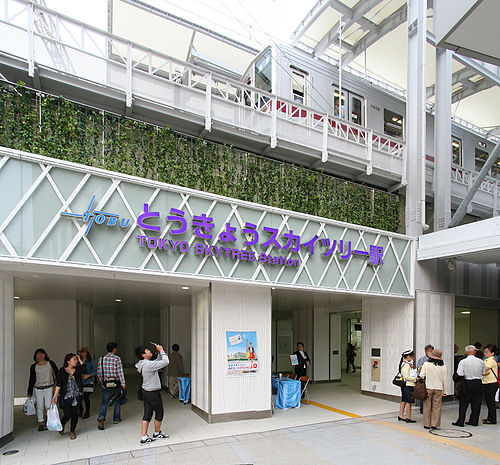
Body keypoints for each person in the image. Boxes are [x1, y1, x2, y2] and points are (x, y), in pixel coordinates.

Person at [135, 343, 170, 444]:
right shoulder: (148, 364)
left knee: (147, 413)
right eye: (147, 350)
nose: (149, 351)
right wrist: (161, 351)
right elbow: (165, 361)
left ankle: (144, 436)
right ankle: (157, 432)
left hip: (146, 392)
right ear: (143, 355)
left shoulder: (142, 364)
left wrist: (158, 353)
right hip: (153, 393)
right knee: (159, 412)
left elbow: (156, 362)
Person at [452, 345, 486, 427]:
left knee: (464, 402)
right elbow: (483, 372)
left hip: (467, 382)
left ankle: (461, 421)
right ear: (475, 352)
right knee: (476, 402)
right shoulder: (481, 361)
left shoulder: (463, 362)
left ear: (466, 352)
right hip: (478, 382)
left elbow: (460, 373)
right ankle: (474, 421)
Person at [52, 353, 83, 440]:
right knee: (68, 414)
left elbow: (85, 369)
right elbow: (59, 384)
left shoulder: (77, 370)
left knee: (75, 414)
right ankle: (62, 423)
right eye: (74, 360)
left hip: (76, 395)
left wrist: (80, 360)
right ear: (68, 361)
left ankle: (72, 431)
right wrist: (55, 395)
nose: (76, 361)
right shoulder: (62, 371)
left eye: (76, 360)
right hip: (66, 396)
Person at [96, 342, 126, 430]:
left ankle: (101, 417)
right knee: (117, 400)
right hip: (116, 383)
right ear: (114, 349)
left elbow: (99, 372)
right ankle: (116, 419)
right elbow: (120, 372)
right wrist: (123, 383)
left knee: (104, 401)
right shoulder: (117, 359)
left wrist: (102, 382)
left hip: (106, 383)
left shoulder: (101, 359)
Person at [27, 348, 58, 431]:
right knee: (40, 405)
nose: (40, 355)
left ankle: (48, 419)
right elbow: (32, 379)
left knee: (48, 405)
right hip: (38, 388)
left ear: (45, 354)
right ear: (35, 356)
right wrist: (29, 391)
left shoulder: (50, 363)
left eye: (42, 353)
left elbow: (57, 373)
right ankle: (41, 422)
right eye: (38, 354)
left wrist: (58, 386)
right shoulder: (34, 366)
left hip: (49, 386)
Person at [419, 348, 447, 430]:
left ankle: (427, 424)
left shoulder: (426, 364)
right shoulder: (443, 366)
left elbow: (421, 375)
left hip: (428, 387)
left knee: (427, 406)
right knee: (437, 407)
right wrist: (445, 390)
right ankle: (434, 424)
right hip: (438, 388)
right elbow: (444, 379)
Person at [78, 346, 96, 419]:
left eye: (84, 352)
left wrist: (88, 375)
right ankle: (80, 409)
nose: (82, 354)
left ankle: (87, 412)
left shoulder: (90, 362)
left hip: (88, 381)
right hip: (80, 381)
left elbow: (95, 371)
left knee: (86, 397)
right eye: (81, 352)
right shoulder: (78, 362)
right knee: (79, 397)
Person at [481, 344, 498, 425]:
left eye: (487, 352)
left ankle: (492, 419)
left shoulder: (491, 360)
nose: (485, 353)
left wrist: (483, 373)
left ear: (492, 353)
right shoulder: (487, 360)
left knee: (490, 402)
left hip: (491, 383)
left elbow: (484, 369)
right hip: (487, 382)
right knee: (488, 401)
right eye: (485, 351)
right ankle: (490, 417)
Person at [398, 350, 416, 423]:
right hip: (408, 385)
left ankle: (401, 415)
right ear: (408, 356)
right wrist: (415, 379)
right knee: (409, 401)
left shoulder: (405, 364)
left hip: (405, 385)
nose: (412, 358)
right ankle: (408, 417)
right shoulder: (406, 365)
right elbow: (407, 376)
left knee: (404, 400)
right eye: (412, 356)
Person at [416, 344, 434, 413]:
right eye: (429, 351)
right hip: (424, 379)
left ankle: (430, 408)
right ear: (425, 351)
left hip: (432, 379)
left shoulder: (434, 360)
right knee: (423, 394)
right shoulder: (422, 359)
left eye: (432, 351)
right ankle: (422, 409)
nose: (430, 353)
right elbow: (418, 369)